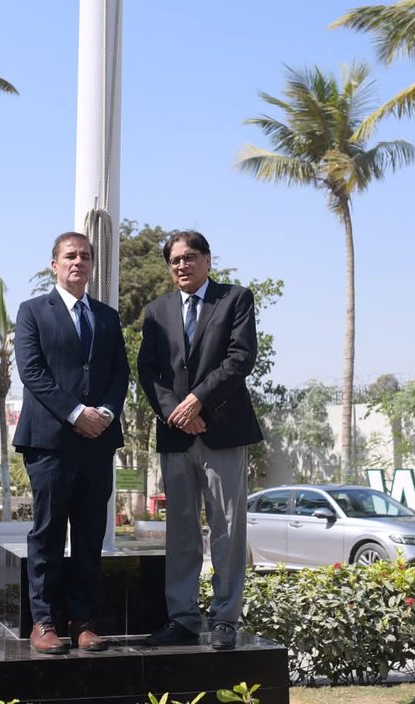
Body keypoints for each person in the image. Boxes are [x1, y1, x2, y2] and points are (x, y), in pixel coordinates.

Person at [137, 229, 263, 651]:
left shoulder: (235, 299)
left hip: (223, 431)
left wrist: (197, 401)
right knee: (181, 531)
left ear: (208, 260)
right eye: (174, 260)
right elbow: (149, 372)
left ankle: (225, 619)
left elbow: (240, 358)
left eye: (190, 257)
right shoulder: (156, 311)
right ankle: (183, 618)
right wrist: (179, 412)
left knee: (227, 527)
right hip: (177, 434)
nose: (182, 266)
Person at [13, 231, 129, 654]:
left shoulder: (106, 316)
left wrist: (106, 414)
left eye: (84, 256)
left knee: (88, 534)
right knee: (46, 534)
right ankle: (43, 622)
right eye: (69, 256)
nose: (77, 262)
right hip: (50, 442)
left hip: (97, 443)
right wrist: (77, 413)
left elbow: (120, 374)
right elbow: (33, 372)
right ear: (54, 264)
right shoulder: (31, 312)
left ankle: (82, 621)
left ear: (92, 265)